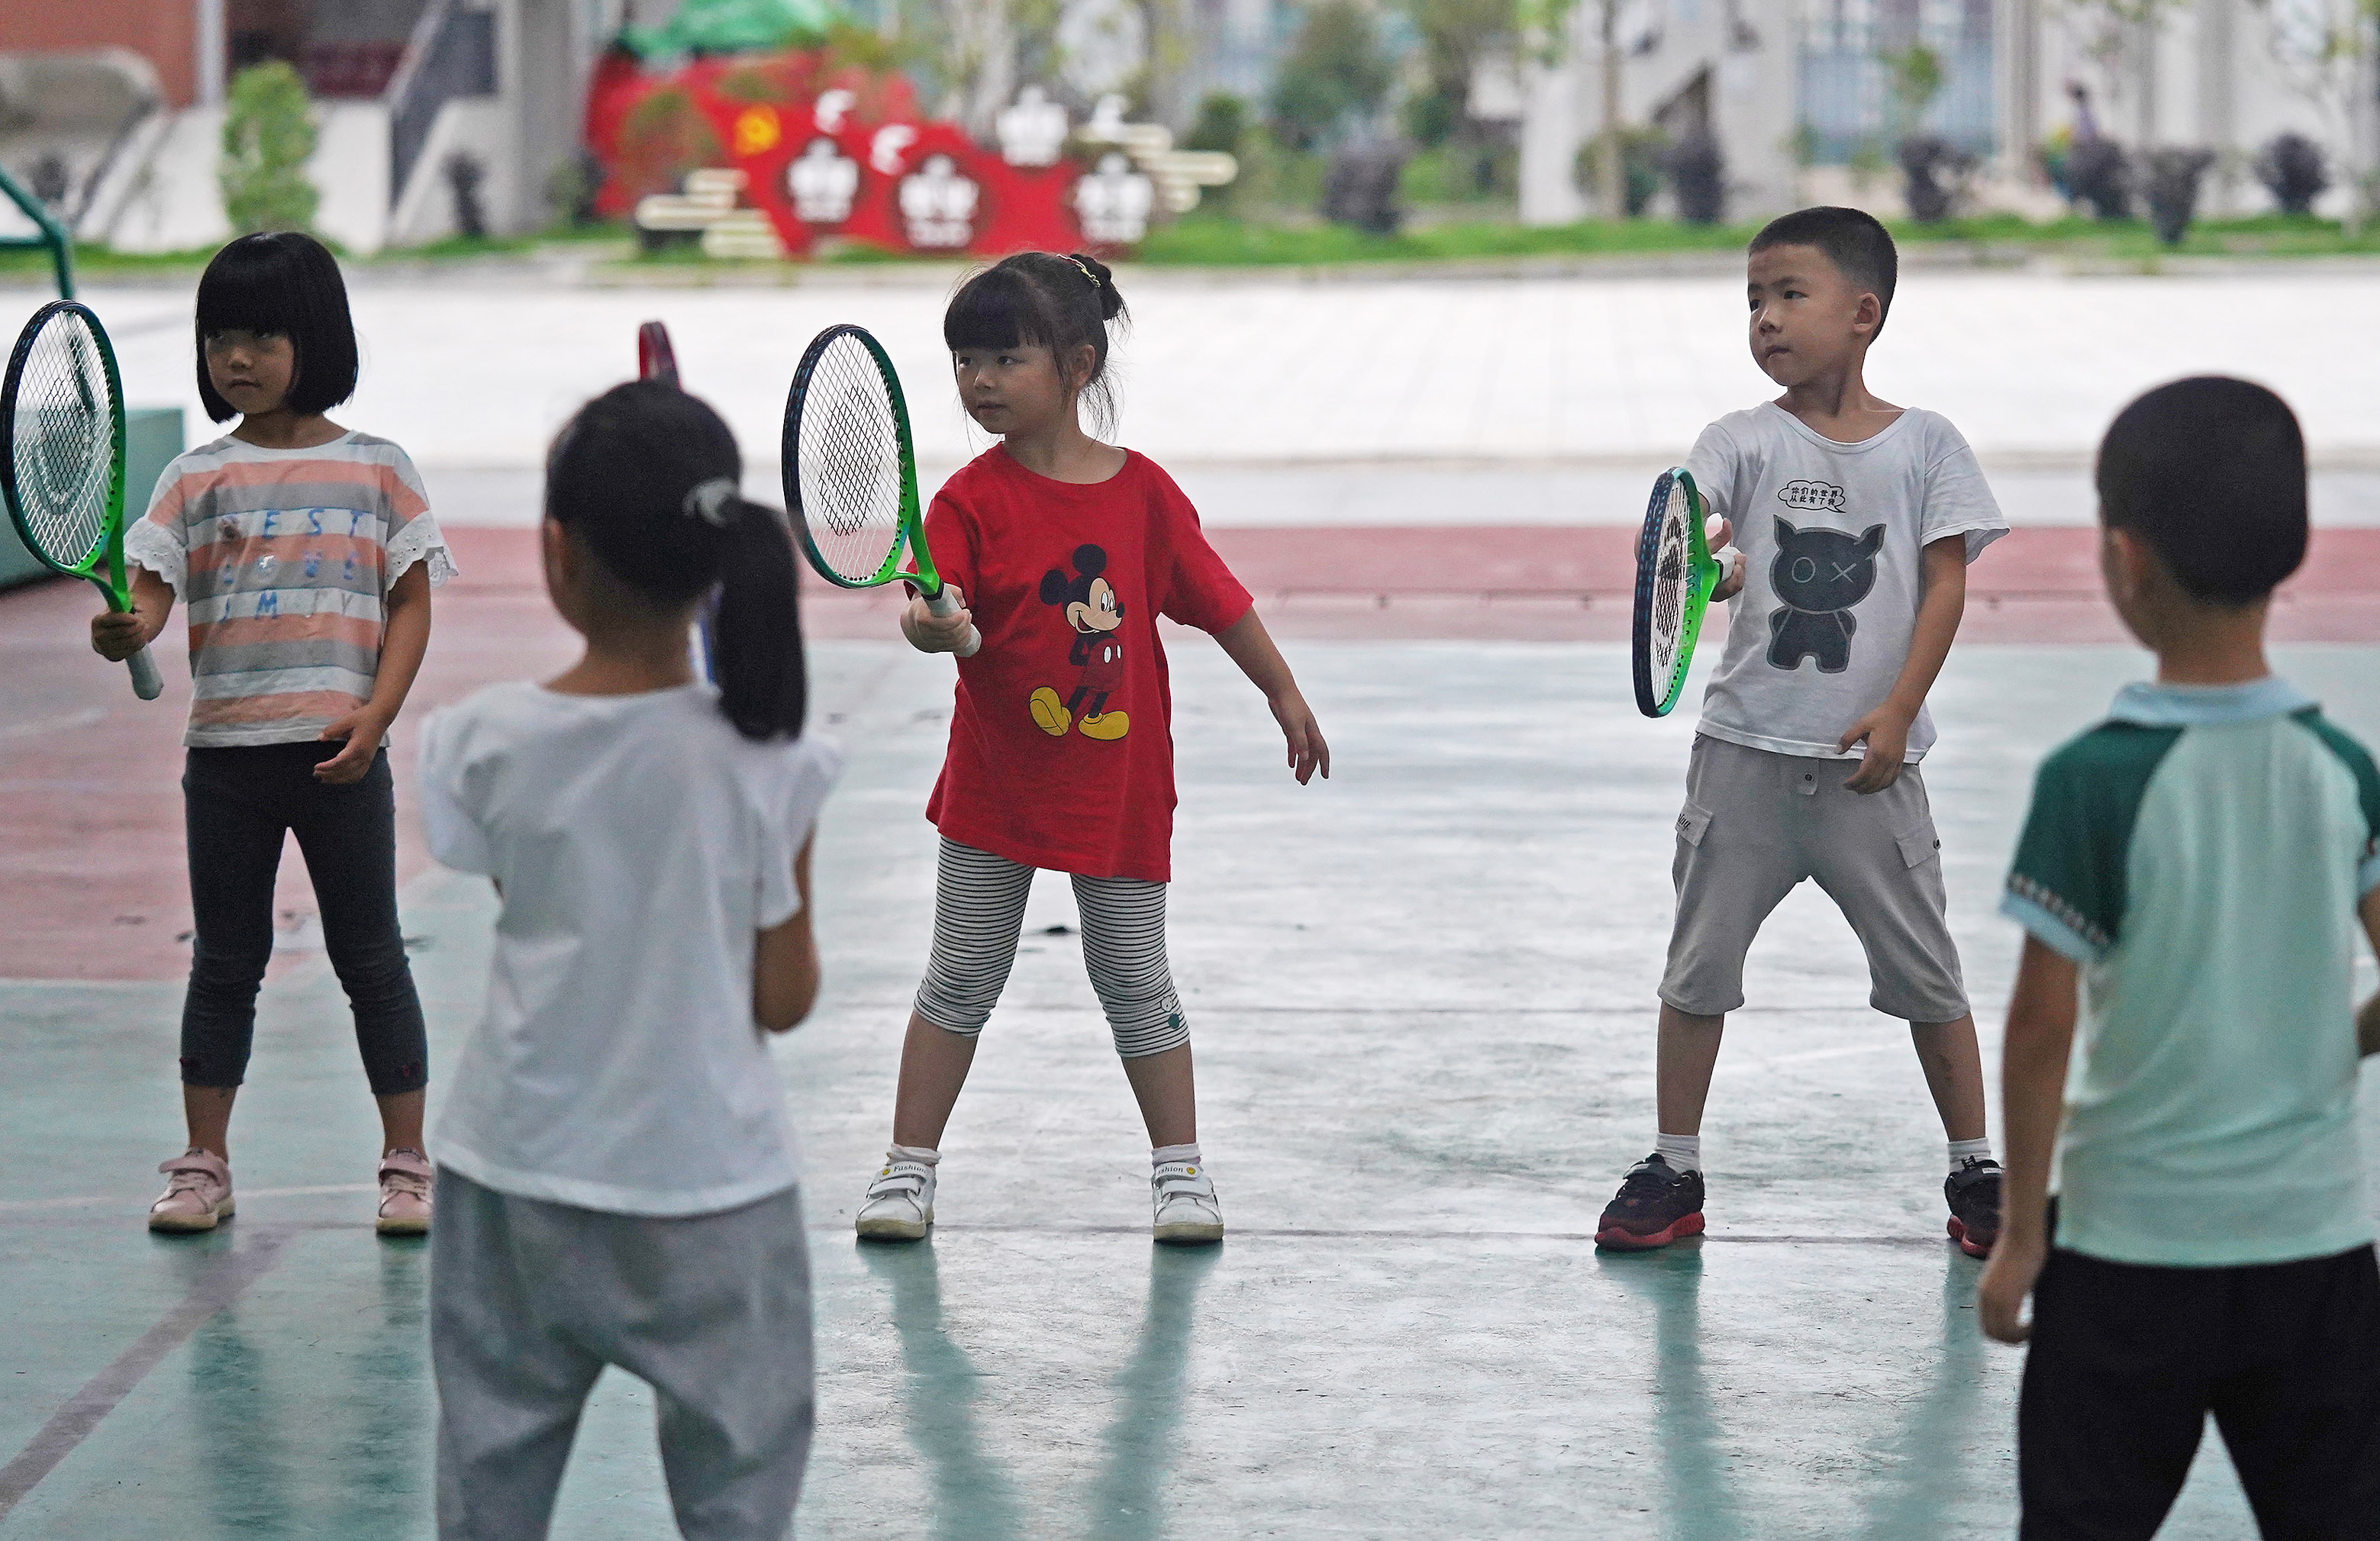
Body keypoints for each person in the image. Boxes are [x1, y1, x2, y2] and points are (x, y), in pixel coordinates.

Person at [418, 381, 837, 1539]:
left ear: (558, 553)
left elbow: (537, 905)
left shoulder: (481, 744)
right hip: (710, 1184)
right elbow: (783, 998)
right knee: (739, 1492)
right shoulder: (776, 760)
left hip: (514, 1172)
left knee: (489, 1482)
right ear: (714, 562)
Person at [853, 250, 1328, 1247]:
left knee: (1133, 977)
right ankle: (907, 1171)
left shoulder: (1143, 496)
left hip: (1115, 790)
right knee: (960, 975)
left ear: (1076, 365)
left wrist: (1281, 692)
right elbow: (927, 613)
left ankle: (1179, 1174)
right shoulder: (963, 504)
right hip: (993, 790)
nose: (978, 381)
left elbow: (1220, 602)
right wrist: (933, 627)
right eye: (963, 360)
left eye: (1004, 358)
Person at [1978, 377, 2380, 1536]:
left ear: (2122, 557)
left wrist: (2018, 1238)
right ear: (2289, 554)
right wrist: (2330, 1038)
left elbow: (2041, 1030)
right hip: (2314, 1252)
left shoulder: (2090, 780)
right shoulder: (2340, 770)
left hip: (2126, 1258)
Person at [1595, 207, 2010, 1254]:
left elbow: (1945, 585)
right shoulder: (1737, 438)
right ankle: (1671, 1167)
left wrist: (1899, 708)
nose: (1766, 319)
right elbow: (1705, 541)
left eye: (1790, 295)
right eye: (1752, 300)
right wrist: (1714, 571)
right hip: (1742, 759)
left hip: (1872, 773)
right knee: (1696, 972)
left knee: (1929, 978)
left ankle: (1975, 1172)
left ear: (1862, 314)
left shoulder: (1927, 447)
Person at [95, 231, 451, 1238]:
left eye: (260, 337)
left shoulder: (379, 471)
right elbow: (154, 596)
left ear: (318, 340)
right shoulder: (195, 479)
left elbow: (413, 602)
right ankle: (204, 1163)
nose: (236, 359)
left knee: (372, 957)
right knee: (225, 960)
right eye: (219, 339)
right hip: (226, 764)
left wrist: (376, 715)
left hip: (342, 758)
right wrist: (131, 626)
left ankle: (406, 1161)